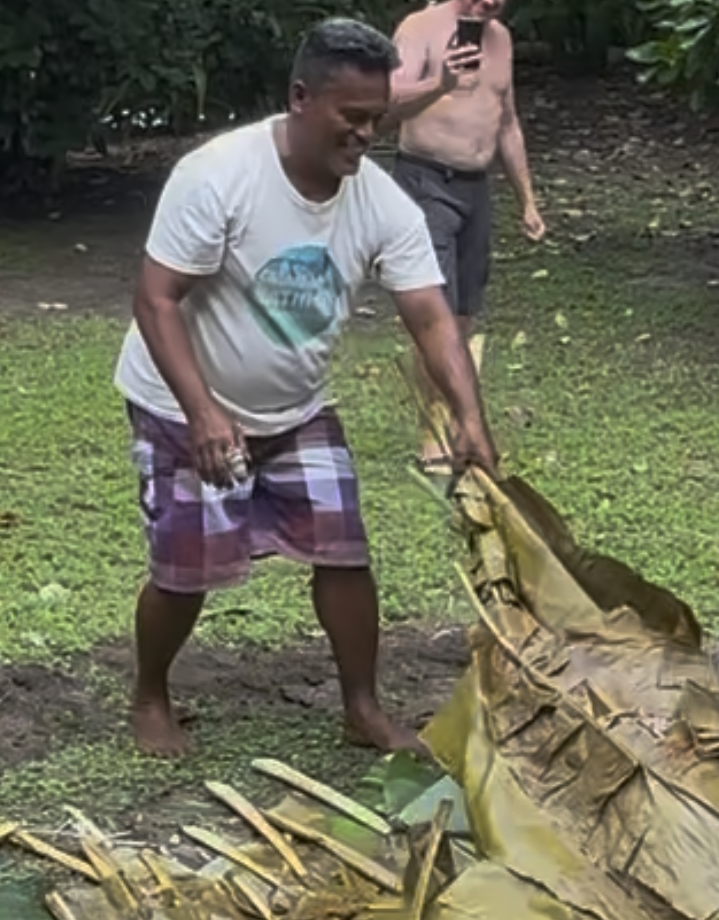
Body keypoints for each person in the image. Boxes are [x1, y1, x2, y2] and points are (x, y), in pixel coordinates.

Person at [115, 18, 498, 760]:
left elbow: (430, 313)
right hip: (180, 399)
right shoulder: (219, 175)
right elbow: (155, 300)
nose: (365, 133)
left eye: (375, 117)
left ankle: (362, 707)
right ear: (299, 98)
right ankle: (150, 695)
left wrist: (468, 415)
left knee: (343, 552)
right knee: (187, 566)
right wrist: (203, 413)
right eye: (349, 116)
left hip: (296, 409)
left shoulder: (382, 203)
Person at [388, 0, 546, 472]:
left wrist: (528, 200)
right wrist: (441, 82)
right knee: (432, 311)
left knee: (462, 313)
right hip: (425, 181)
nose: (490, 2)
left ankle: (457, 415)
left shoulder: (500, 39)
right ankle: (435, 429)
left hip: (476, 188)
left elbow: (508, 120)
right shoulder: (419, 27)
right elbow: (388, 103)